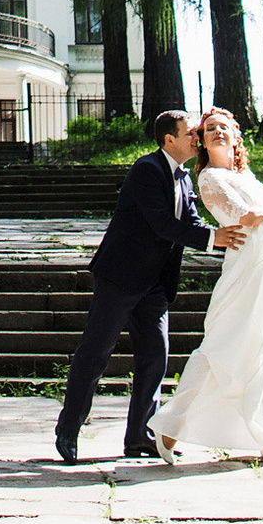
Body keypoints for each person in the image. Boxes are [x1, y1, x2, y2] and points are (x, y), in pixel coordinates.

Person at [52, 107, 249, 463]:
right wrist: (211, 238)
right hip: (120, 277)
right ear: (169, 139)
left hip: (156, 285)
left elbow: (188, 220)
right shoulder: (146, 169)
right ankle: (68, 428)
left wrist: (222, 239)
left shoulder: (185, 178)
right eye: (191, 133)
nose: (197, 137)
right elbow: (160, 223)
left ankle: (139, 436)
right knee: (95, 354)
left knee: (154, 358)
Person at [148, 108, 263, 463]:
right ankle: (257, 436)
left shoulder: (245, 174)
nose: (217, 132)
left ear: (237, 136)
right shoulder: (210, 179)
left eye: (225, 127)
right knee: (222, 348)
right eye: (210, 129)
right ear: (202, 140)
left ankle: (182, 427)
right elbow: (247, 219)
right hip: (246, 270)